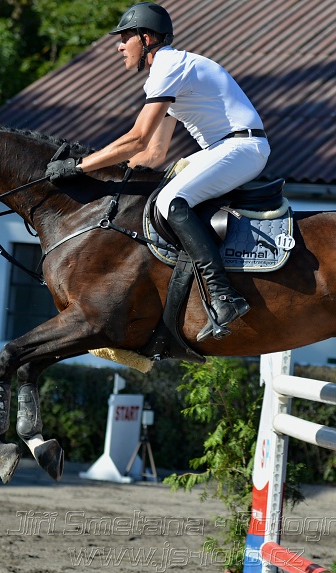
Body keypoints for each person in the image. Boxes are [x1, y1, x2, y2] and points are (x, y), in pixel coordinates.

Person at [44, 1, 270, 342]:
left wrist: (79, 167)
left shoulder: (168, 64)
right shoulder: (169, 72)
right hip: (227, 148)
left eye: (124, 38)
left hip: (242, 148)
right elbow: (154, 153)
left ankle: (224, 296)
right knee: (160, 192)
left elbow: (136, 138)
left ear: (146, 38)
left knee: (170, 201)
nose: (119, 46)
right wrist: (101, 179)